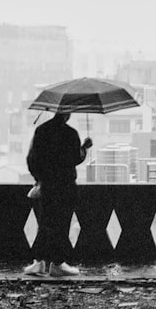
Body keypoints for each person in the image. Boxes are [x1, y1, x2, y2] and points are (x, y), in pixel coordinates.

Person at [24, 112, 92, 276]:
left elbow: (31, 159)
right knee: (61, 224)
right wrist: (85, 147)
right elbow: (76, 158)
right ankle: (58, 263)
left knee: (45, 223)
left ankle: (38, 261)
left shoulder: (41, 131)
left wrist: (39, 179)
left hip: (47, 186)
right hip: (65, 186)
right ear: (67, 114)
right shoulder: (70, 133)